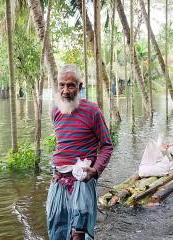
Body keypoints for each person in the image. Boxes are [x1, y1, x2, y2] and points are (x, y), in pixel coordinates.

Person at [47, 64, 113, 240]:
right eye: (62, 85)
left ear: (80, 87)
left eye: (71, 85)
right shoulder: (55, 111)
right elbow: (62, 143)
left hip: (83, 178)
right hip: (59, 179)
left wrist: (96, 170)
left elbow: (107, 145)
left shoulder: (93, 111)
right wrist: (56, 169)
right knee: (57, 227)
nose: (65, 91)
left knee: (78, 231)